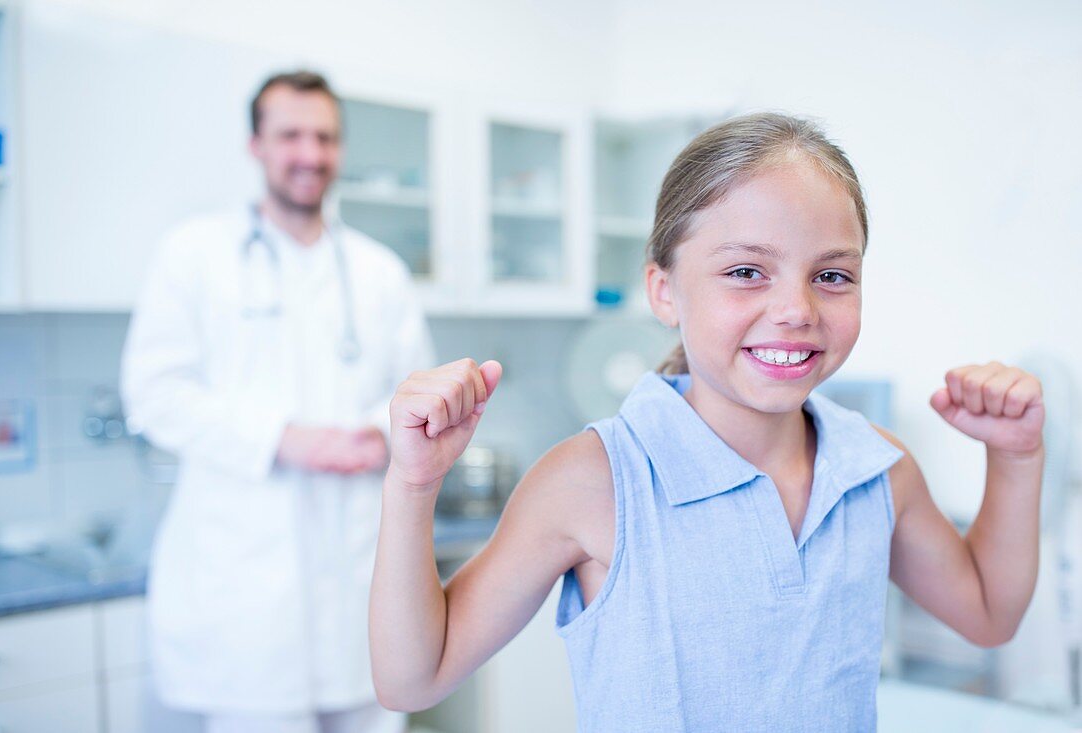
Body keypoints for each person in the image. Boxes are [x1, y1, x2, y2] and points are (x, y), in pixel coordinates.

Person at [368, 113, 1045, 731]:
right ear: (664, 291)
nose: (796, 309)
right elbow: (411, 677)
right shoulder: (595, 479)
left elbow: (988, 612)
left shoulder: (874, 468)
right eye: (747, 270)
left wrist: (1015, 459)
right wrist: (412, 483)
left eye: (832, 276)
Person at [121, 70, 433, 733]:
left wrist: (380, 436)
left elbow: (413, 391)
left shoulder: (380, 272)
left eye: (325, 137)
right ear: (255, 145)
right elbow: (152, 391)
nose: (310, 154)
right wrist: (285, 438)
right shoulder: (193, 254)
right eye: (291, 135)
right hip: (246, 604)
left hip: (361, 587)